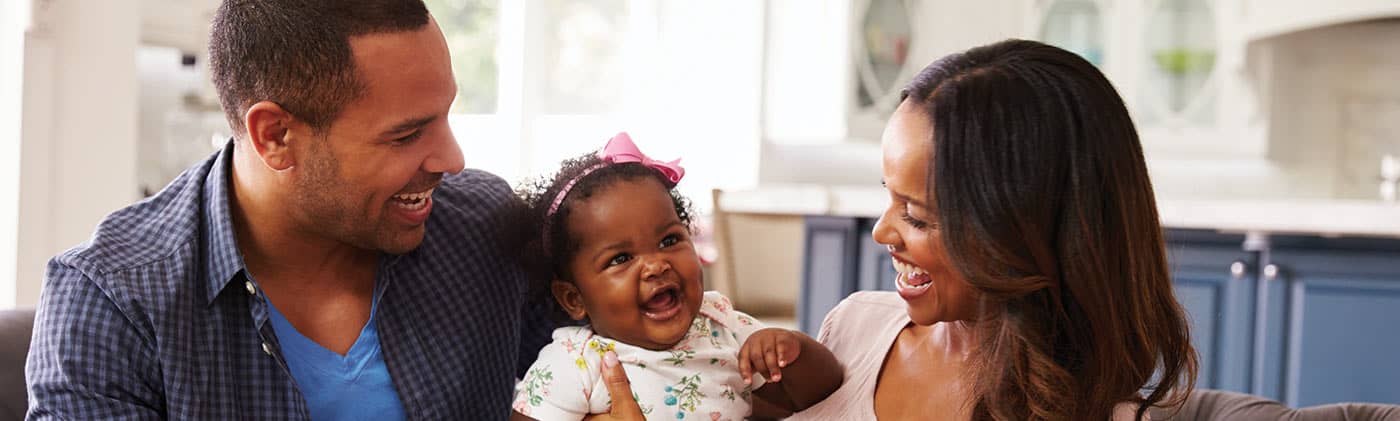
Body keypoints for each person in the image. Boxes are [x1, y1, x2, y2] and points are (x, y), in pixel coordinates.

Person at [24, 1, 552, 419]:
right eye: (408, 134)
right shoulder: (112, 298)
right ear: (275, 135)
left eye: (444, 116)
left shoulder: (487, 229)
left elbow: (603, 367)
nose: (452, 160)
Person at [783, 39, 1200, 421]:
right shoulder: (855, 325)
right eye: (889, 196)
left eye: (916, 215)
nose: (882, 233)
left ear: (1019, 232)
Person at [507, 133, 842, 421]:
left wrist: (794, 349)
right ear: (574, 298)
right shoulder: (576, 360)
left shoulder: (721, 326)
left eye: (669, 240)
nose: (656, 265)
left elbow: (823, 390)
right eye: (621, 258)